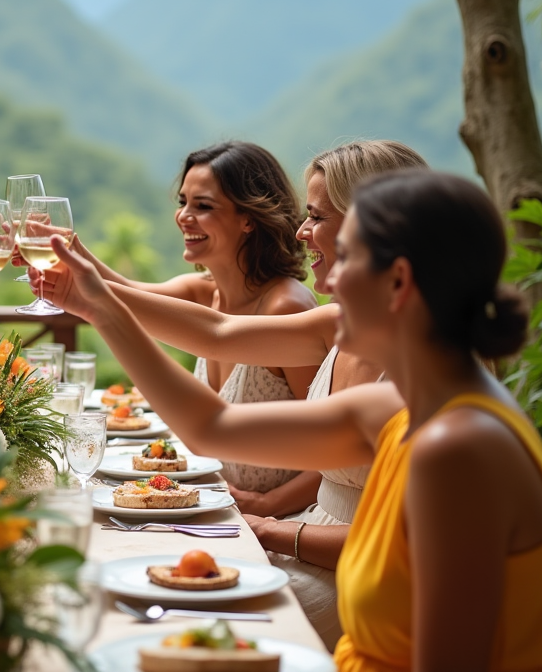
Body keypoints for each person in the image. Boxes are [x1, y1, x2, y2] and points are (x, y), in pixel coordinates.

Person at [35, 169, 542, 670]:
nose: (330, 283)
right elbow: (211, 427)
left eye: (345, 259)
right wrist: (101, 309)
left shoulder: (458, 447)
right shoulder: (395, 409)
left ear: (399, 282)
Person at [83, 139, 426, 647]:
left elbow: (405, 551)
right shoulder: (343, 322)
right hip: (308, 537)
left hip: (357, 575)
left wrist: (267, 527)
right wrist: (87, 290)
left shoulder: (422, 388)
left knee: (174, 617)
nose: (301, 233)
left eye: (318, 217)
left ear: (377, 234)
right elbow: (216, 336)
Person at [72, 142, 321, 516]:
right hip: (216, 504)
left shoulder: (285, 308)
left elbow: (335, 453)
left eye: (203, 206)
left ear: (249, 218)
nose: (184, 216)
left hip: (279, 520)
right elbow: (124, 296)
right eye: (182, 202)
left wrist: (264, 506)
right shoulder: (203, 292)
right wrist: (68, 248)